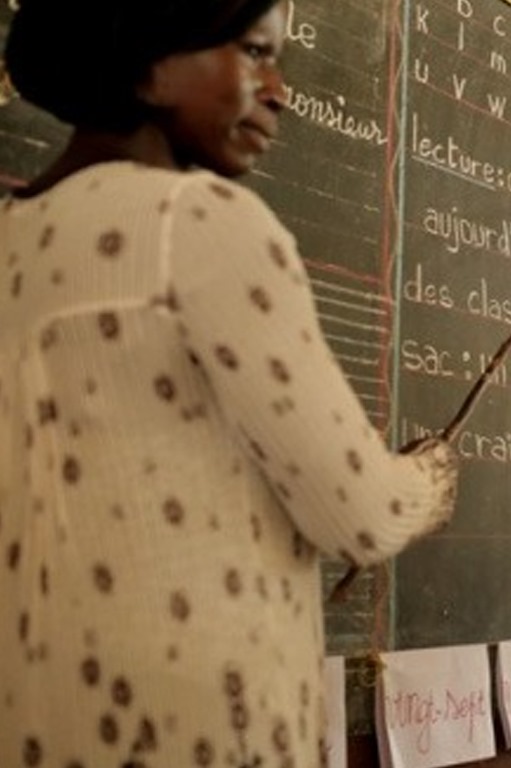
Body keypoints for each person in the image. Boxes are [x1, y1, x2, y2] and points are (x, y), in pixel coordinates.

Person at [0, 1, 458, 766]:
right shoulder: (200, 220)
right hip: (198, 731)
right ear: (148, 60)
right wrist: (433, 476)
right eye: (252, 52)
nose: (278, 89)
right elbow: (361, 515)